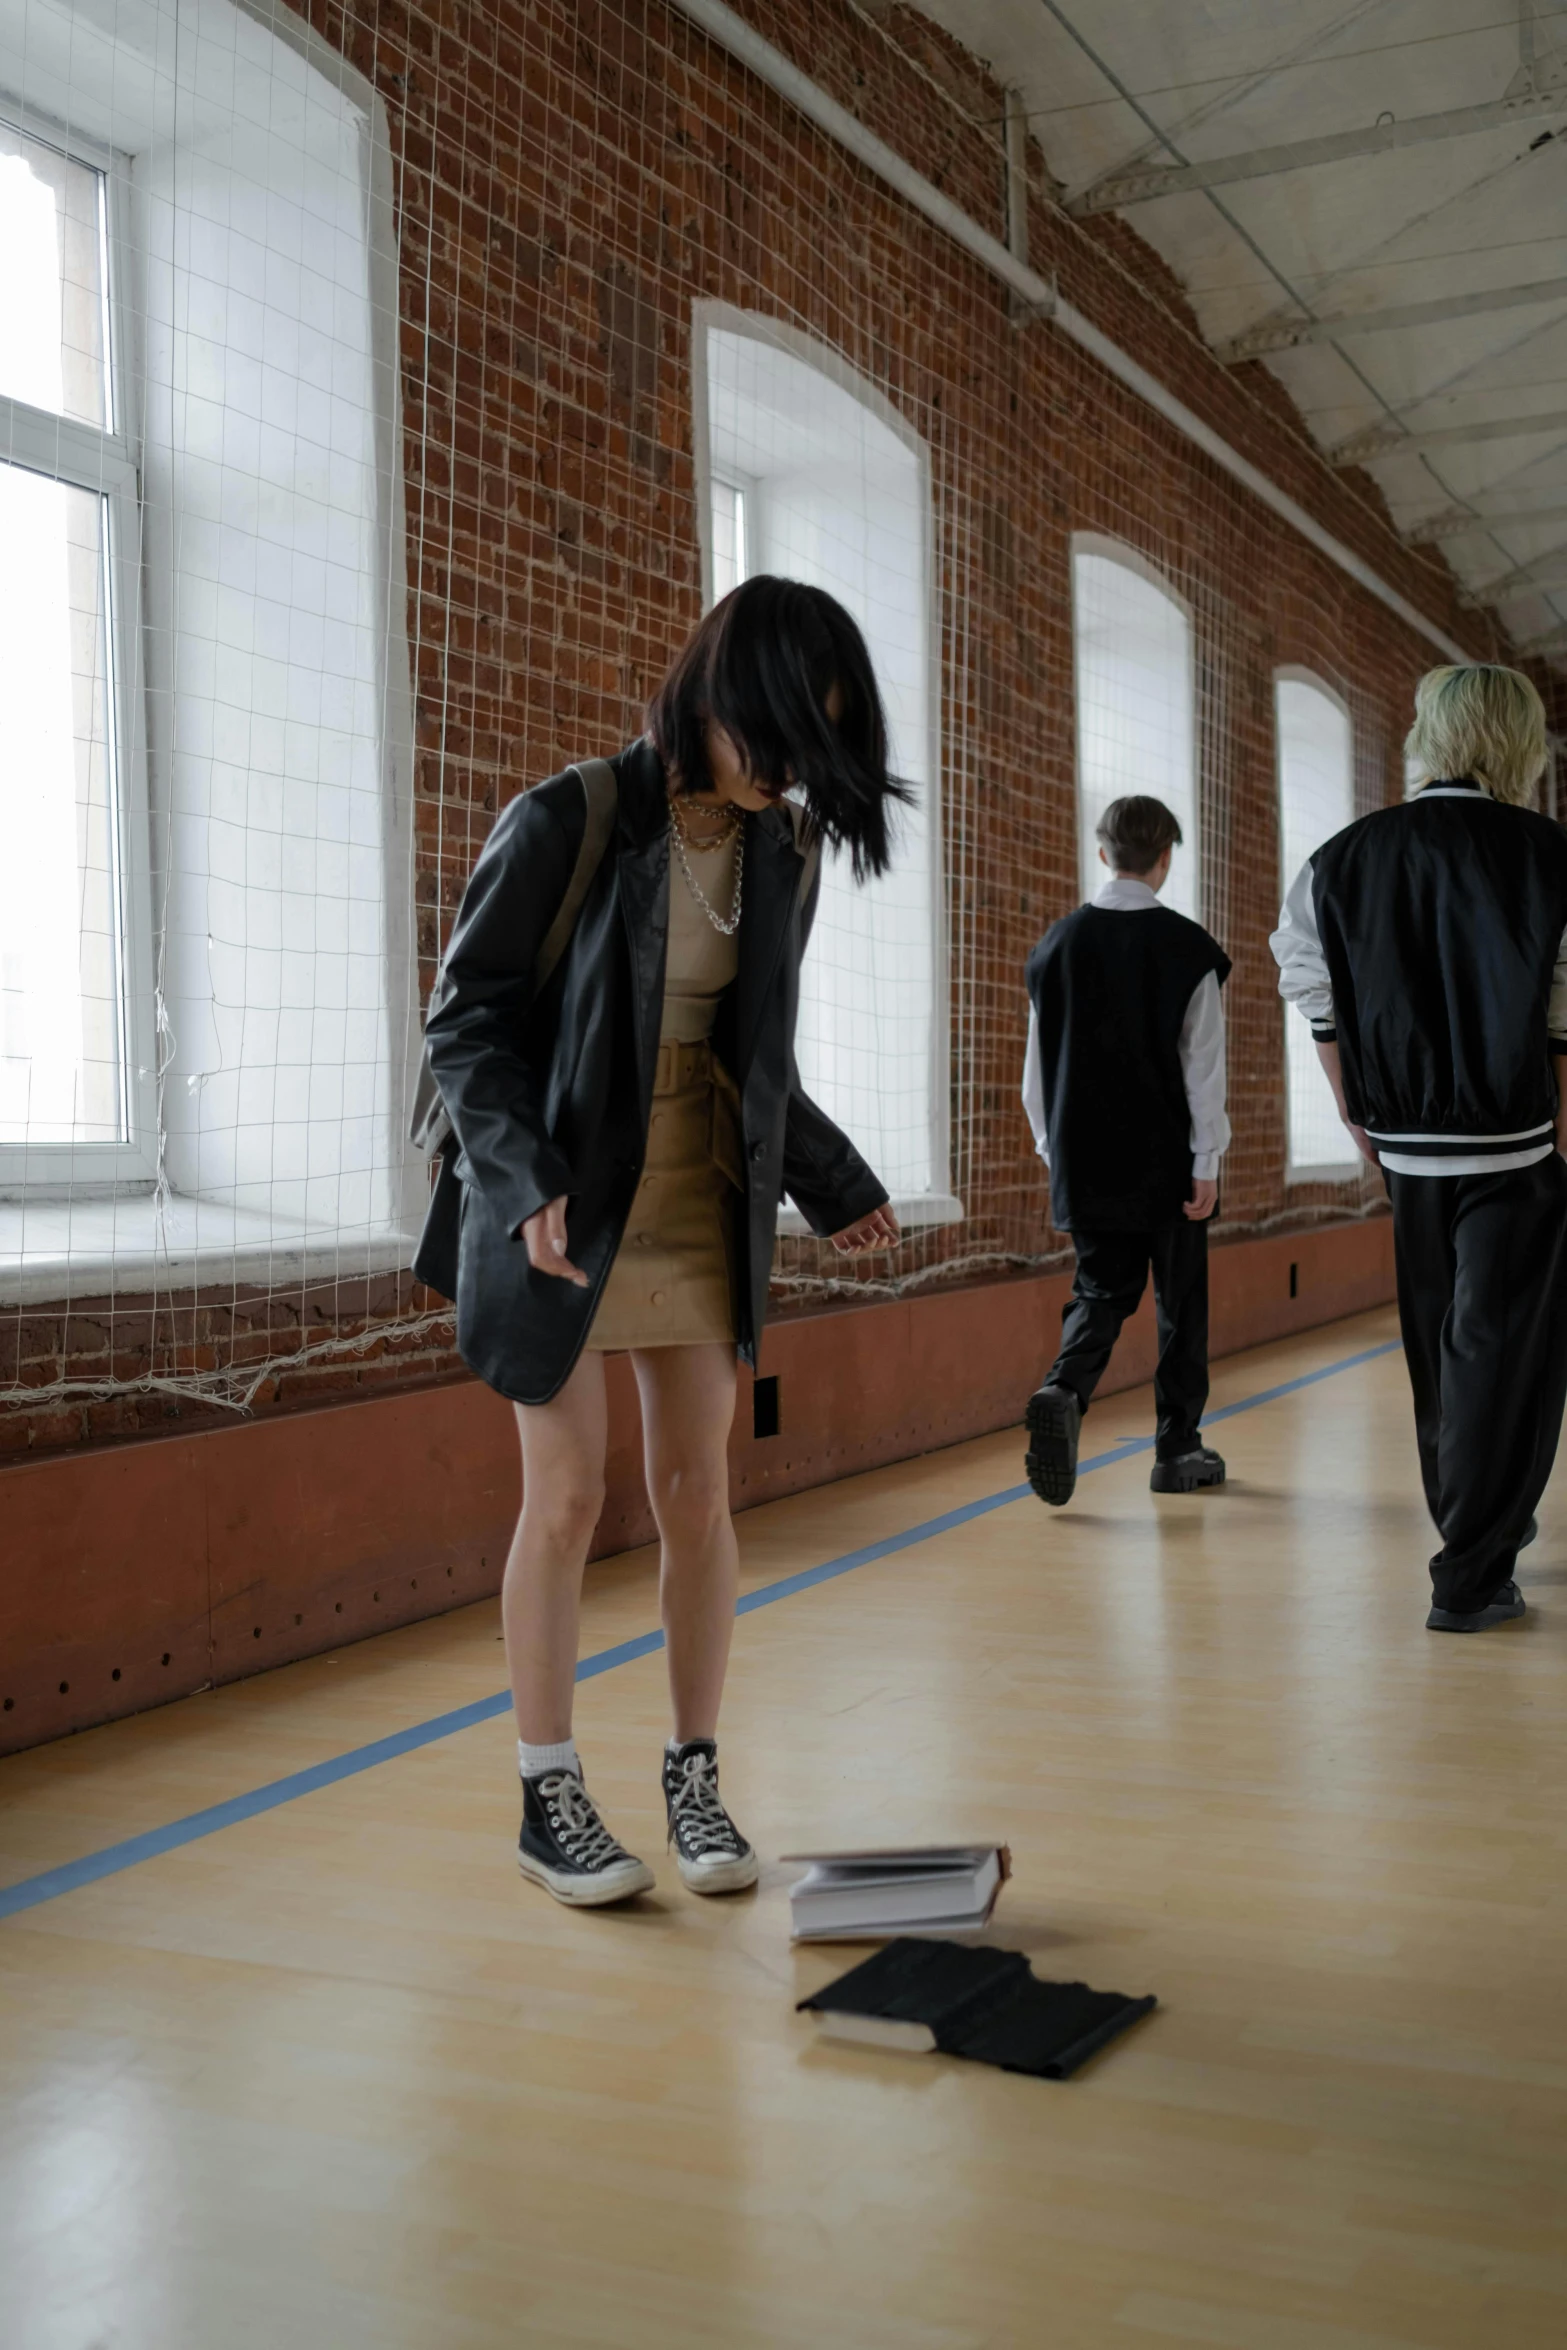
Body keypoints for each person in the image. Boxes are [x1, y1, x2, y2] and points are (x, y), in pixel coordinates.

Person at [420, 577, 904, 1904]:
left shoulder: (781, 853)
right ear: (715, 692)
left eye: (815, 750)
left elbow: (749, 1060)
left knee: (698, 1493)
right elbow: (461, 1022)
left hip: (697, 1193)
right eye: (781, 736)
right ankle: (546, 1788)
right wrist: (518, 1180)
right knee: (568, 1494)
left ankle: (693, 1772)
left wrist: (829, 1174)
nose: (791, 771)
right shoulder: (568, 816)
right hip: (562, 1201)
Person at [1272, 661, 1567, 1633]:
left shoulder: (1339, 857)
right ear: (1514, 742)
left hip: (1404, 1151)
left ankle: (1473, 1543)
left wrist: (1357, 1114)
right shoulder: (1545, 852)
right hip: (1513, 1149)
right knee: (1505, 1358)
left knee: (1438, 1353)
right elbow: (1560, 1019)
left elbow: (1307, 980)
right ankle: (1473, 1568)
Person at [1020, 794, 1232, 1507]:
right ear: (1166, 858)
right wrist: (1206, 1161)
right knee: (1180, 1304)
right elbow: (1201, 1066)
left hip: (1084, 1158)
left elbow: (1035, 1076)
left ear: (1102, 852)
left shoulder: (1054, 947)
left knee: (1099, 1291)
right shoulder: (1189, 949)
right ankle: (1176, 1448)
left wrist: (1058, 1153)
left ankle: (1063, 1388)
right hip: (1169, 1163)